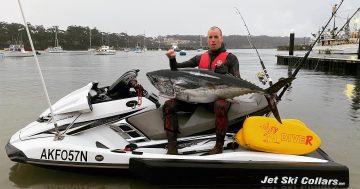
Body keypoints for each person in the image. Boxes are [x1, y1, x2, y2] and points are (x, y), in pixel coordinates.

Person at [163, 26, 240, 155]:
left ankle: (218, 147)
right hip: (199, 98)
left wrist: (226, 75)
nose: (213, 40)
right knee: (168, 105)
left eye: (216, 37)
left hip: (218, 98)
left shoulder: (231, 58)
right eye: (210, 37)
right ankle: (172, 148)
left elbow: (237, 81)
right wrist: (172, 58)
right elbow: (177, 69)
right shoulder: (200, 58)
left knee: (220, 105)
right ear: (207, 40)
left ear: (221, 38)